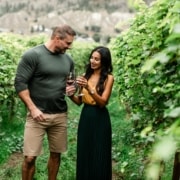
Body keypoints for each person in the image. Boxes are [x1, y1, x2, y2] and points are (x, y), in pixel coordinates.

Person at [14, 25, 76, 180]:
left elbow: (70, 83)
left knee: (56, 155)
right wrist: (33, 108)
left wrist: (72, 88)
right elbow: (20, 83)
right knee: (29, 158)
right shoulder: (33, 55)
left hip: (59, 115)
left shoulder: (68, 60)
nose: (70, 47)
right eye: (68, 43)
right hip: (37, 116)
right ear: (57, 38)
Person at [66, 46, 114, 180]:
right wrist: (70, 95)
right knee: (85, 151)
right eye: (92, 57)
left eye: (97, 59)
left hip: (100, 118)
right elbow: (79, 101)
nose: (92, 61)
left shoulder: (108, 78)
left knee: (100, 152)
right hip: (86, 116)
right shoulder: (84, 76)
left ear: (103, 62)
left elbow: (103, 102)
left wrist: (89, 87)